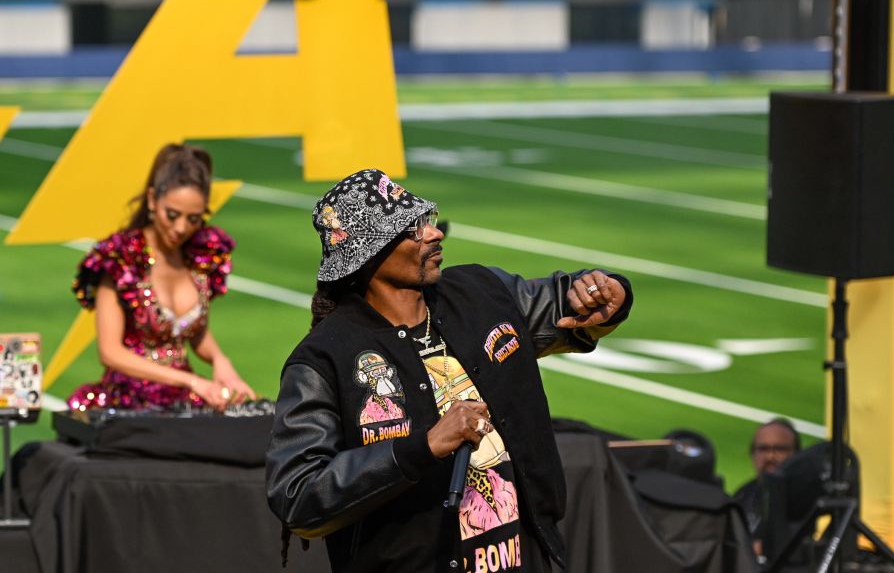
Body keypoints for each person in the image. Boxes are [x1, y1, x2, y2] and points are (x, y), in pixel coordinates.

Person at [267, 169, 633, 572]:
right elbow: (298, 497)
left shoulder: (481, 292)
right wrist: (422, 448)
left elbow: (562, 306)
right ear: (367, 252)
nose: (434, 234)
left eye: (427, 220)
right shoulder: (323, 359)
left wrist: (608, 297)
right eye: (411, 229)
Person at [67, 143, 254, 412]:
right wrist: (190, 381)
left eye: (193, 219)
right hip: (129, 401)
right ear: (153, 200)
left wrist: (220, 362)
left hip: (183, 399)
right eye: (173, 215)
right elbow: (109, 351)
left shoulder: (200, 255)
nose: (181, 228)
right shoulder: (122, 258)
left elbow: (195, 331)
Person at [732, 418, 801, 553]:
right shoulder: (743, 494)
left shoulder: (806, 499)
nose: (770, 456)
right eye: (763, 449)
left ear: (797, 455)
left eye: (780, 449)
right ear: (753, 455)